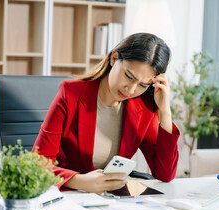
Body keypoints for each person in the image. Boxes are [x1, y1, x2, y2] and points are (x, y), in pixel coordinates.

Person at [33, 33, 180, 194]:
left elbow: (165, 174)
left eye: (143, 85)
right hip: (72, 196)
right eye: (129, 76)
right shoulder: (70, 94)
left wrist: (165, 113)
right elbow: (37, 165)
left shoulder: (144, 108)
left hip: (112, 201)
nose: (131, 90)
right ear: (114, 58)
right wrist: (79, 181)